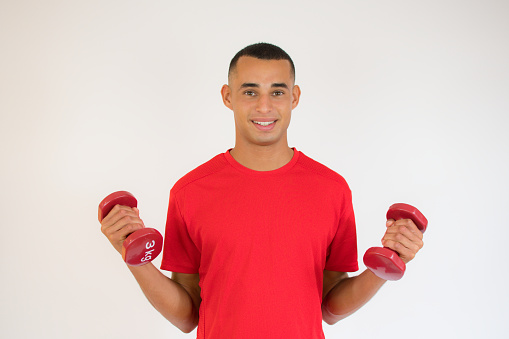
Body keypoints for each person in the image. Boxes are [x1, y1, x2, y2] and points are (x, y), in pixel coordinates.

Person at [100, 43, 424, 338]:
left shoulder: (332, 189)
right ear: (228, 96)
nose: (265, 107)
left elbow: (330, 308)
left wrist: (387, 266)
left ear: (294, 97)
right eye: (250, 92)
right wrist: (135, 259)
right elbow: (187, 316)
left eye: (278, 92)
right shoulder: (189, 191)